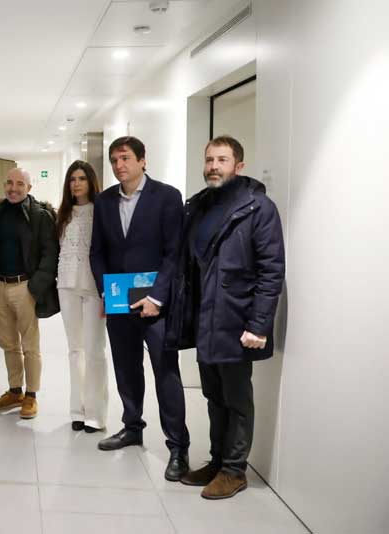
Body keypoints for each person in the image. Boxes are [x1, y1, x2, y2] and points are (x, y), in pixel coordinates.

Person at [165, 136, 284, 499]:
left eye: (222, 159)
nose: (213, 166)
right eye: (209, 159)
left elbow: (271, 270)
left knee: (236, 396)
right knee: (213, 395)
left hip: (236, 320)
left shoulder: (258, 208)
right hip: (205, 319)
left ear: (239, 165)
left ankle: (235, 470)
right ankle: (218, 461)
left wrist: (259, 324)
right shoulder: (198, 207)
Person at [89, 136, 190, 481]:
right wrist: (106, 289)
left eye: (126, 158)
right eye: (114, 159)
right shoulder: (103, 202)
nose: (119, 165)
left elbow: (174, 253)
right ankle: (132, 426)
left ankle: (178, 446)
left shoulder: (167, 197)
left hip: (157, 305)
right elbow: (97, 252)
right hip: (119, 302)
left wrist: (158, 297)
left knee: (166, 373)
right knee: (126, 369)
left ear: (143, 160)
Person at [0, 168, 59, 420]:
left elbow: (50, 254)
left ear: (29, 188)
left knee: (30, 346)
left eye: (20, 184)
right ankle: (15, 392)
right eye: (10, 183)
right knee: (8, 344)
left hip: (25, 287)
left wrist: (36, 286)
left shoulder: (41, 216)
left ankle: (31, 396)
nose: (13, 188)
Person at [56, 161, 107, 433]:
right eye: (72, 179)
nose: (76, 183)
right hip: (66, 285)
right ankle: (78, 410)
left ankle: (96, 413)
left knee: (94, 351)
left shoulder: (102, 212)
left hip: (93, 287)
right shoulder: (62, 213)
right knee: (75, 351)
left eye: (81, 178)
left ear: (91, 182)